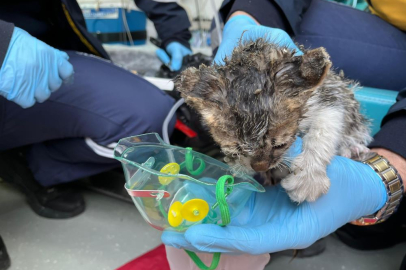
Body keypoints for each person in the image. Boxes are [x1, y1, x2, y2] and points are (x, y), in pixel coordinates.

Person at [162, 0, 406, 269]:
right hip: (381, 18)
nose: (261, 161)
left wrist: (388, 165)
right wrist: (251, 13)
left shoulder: (306, 100)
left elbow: (331, 104)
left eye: (277, 144)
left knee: (362, 233)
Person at [0, 1, 192, 269]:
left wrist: (174, 31)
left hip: (44, 54)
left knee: (144, 116)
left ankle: (28, 161)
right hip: (7, 48)